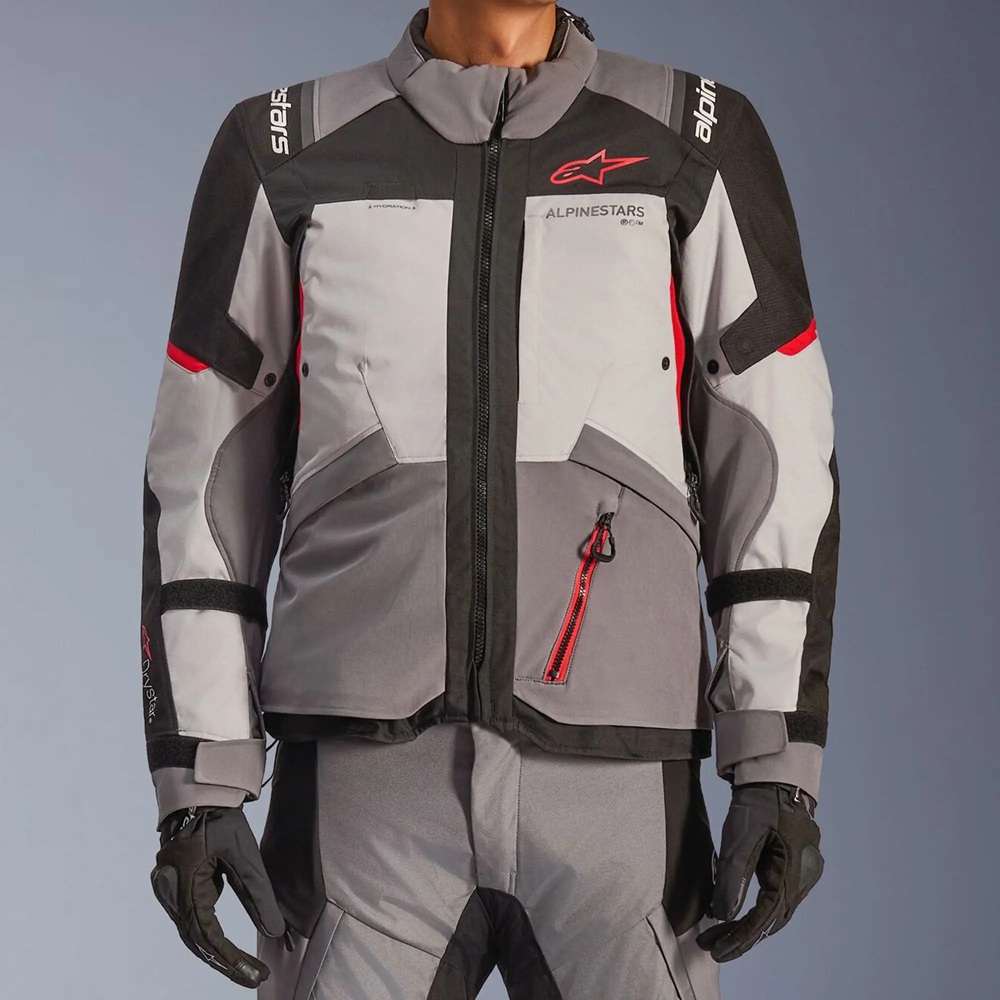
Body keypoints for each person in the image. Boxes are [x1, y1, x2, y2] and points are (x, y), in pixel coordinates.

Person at [140, 3, 840, 997]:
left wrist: (777, 758)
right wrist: (199, 780)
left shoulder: (693, 140)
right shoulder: (284, 149)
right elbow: (201, 479)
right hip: (362, 806)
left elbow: (776, 453)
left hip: (622, 810)